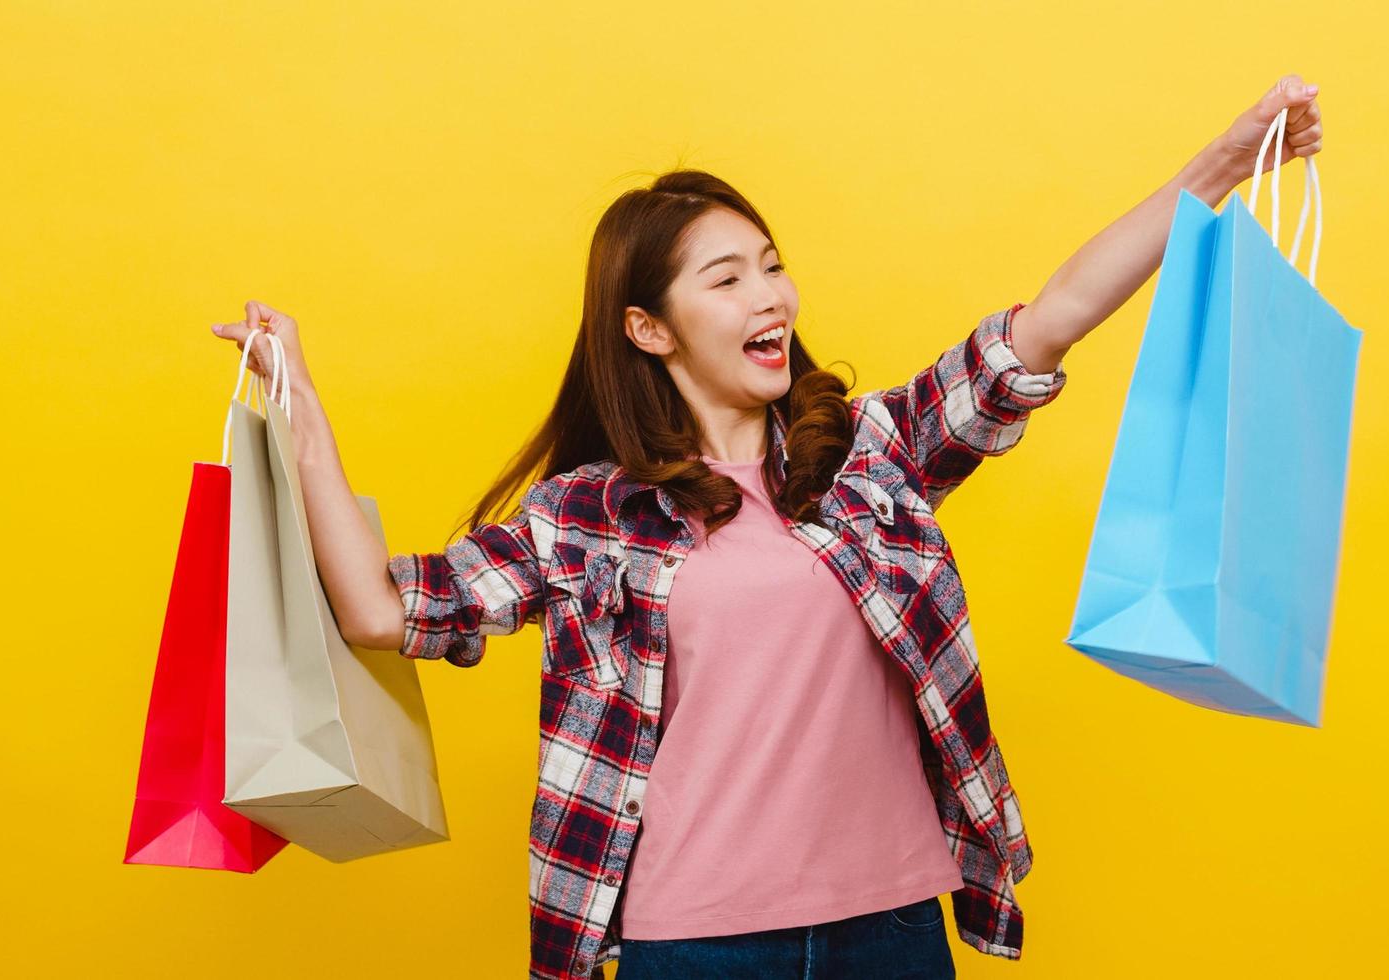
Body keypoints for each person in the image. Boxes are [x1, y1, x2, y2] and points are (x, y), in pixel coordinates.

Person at [209, 75, 1323, 980]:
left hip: (891, 926)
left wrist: (1216, 170)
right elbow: (380, 609)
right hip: (692, 944)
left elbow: (1049, 321)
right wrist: (297, 400)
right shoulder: (591, 516)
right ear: (648, 327)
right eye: (728, 277)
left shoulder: (868, 456)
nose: (770, 296)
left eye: (773, 265)